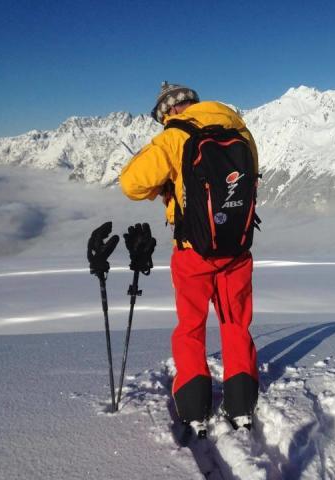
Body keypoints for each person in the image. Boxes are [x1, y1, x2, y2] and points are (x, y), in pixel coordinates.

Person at [120, 82, 260, 431]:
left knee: (191, 325)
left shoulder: (173, 137)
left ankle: (195, 404)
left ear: (167, 111)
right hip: (237, 247)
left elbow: (131, 183)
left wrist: (164, 183)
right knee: (235, 322)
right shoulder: (240, 129)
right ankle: (241, 401)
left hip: (192, 251)